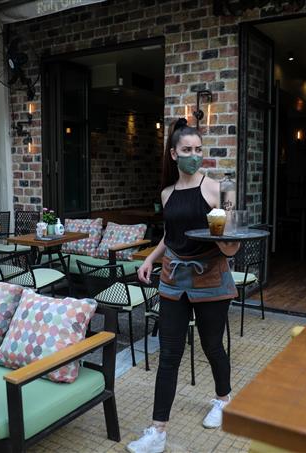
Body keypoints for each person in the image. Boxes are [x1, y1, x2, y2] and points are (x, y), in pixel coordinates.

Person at [127, 118, 240, 453]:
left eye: (198, 150)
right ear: (174, 154)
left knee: (212, 345)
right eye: (187, 150)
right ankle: (157, 432)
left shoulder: (219, 190)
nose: (194, 156)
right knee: (169, 353)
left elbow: (231, 241)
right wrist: (150, 259)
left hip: (210, 277)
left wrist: (227, 237)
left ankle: (223, 399)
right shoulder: (167, 193)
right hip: (174, 278)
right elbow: (169, 235)